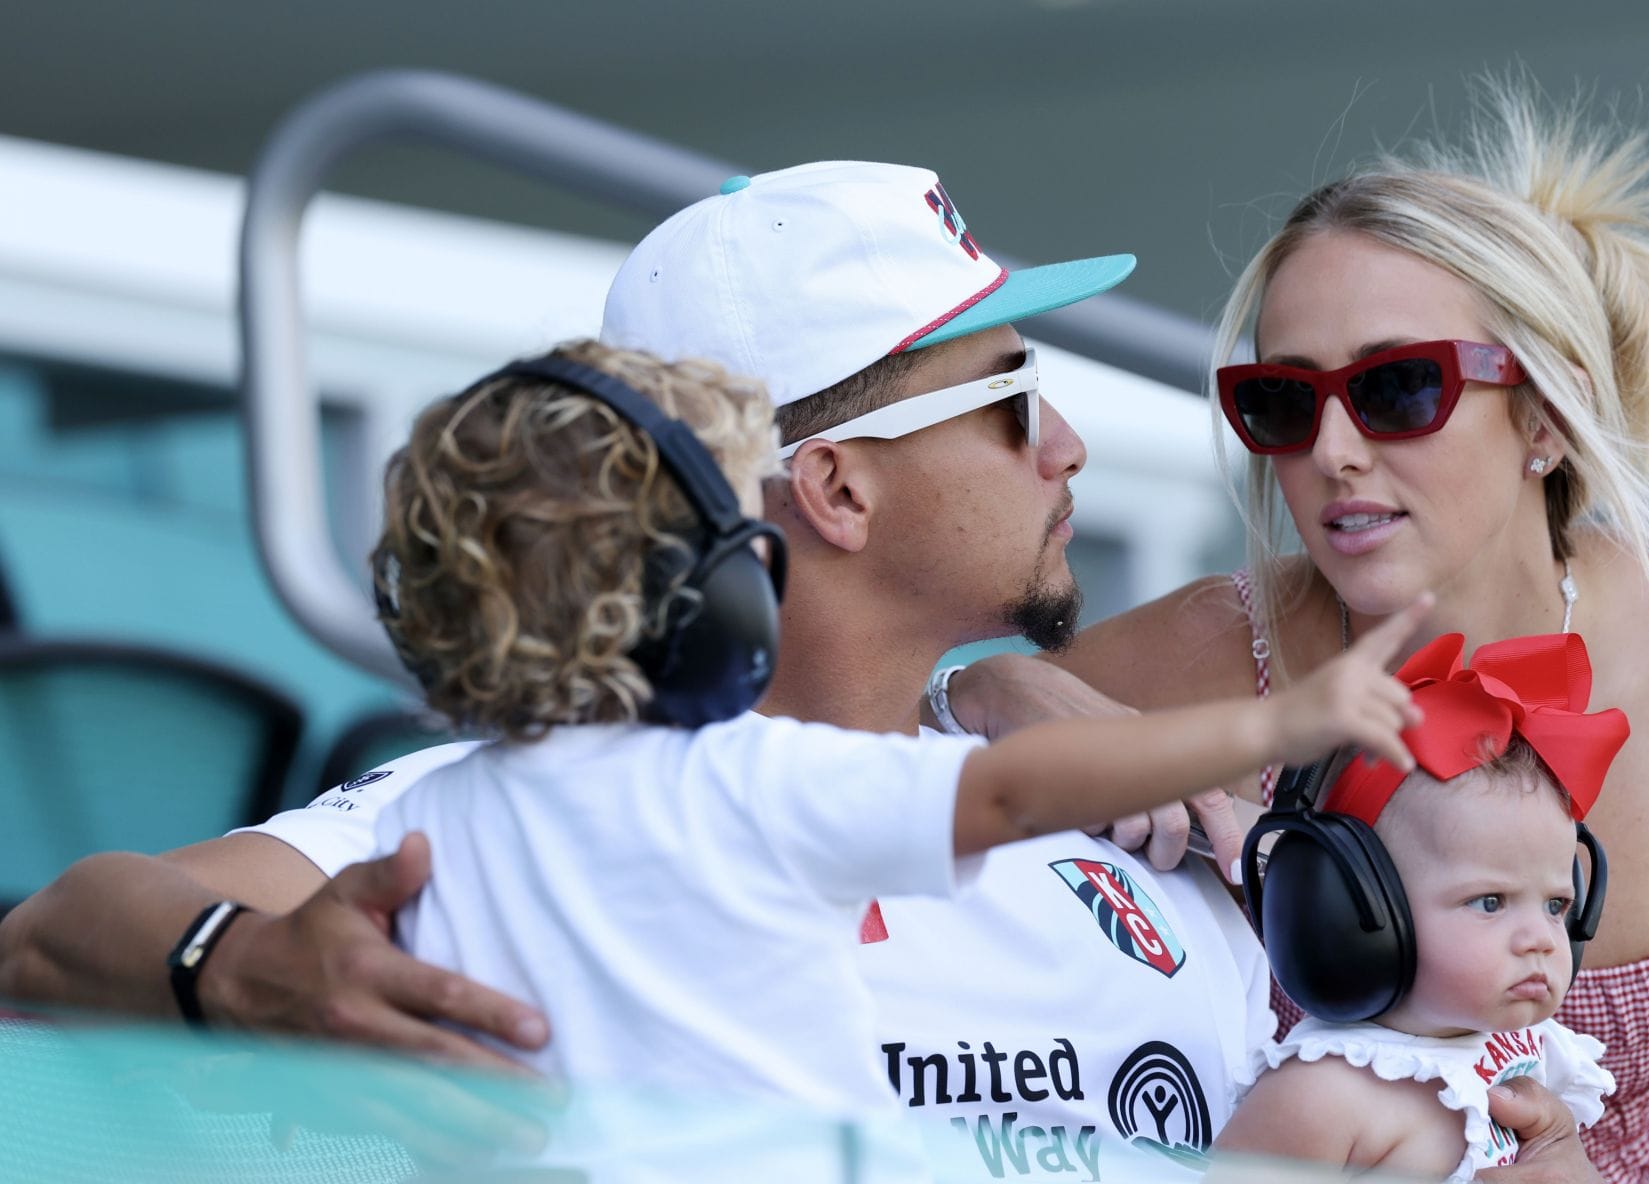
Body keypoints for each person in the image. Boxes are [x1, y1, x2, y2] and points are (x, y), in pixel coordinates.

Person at [0, 160, 1600, 1181]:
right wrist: (232, 968)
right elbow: (48, 937)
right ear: (832, 489)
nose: (1065, 444)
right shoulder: (504, 815)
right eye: (1009, 399)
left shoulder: (1143, 819)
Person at [944, 83, 1649, 1182]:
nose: (1332, 450)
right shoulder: (1193, 661)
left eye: (1395, 389)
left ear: (1546, 414)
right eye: (1284, 401)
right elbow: (842, 769)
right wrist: (987, 689)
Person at [362, 334, 1427, 1121]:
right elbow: (1013, 790)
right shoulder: (753, 778)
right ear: (718, 588)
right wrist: (1279, 725)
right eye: (737, 521)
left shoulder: (421, 824)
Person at [1217, 631, 1626, 1179]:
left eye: (1556, 905)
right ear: (1352, 909)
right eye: (1490, 901)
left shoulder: (1525, 1053)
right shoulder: (1324, 1096)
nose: (1542, 939)